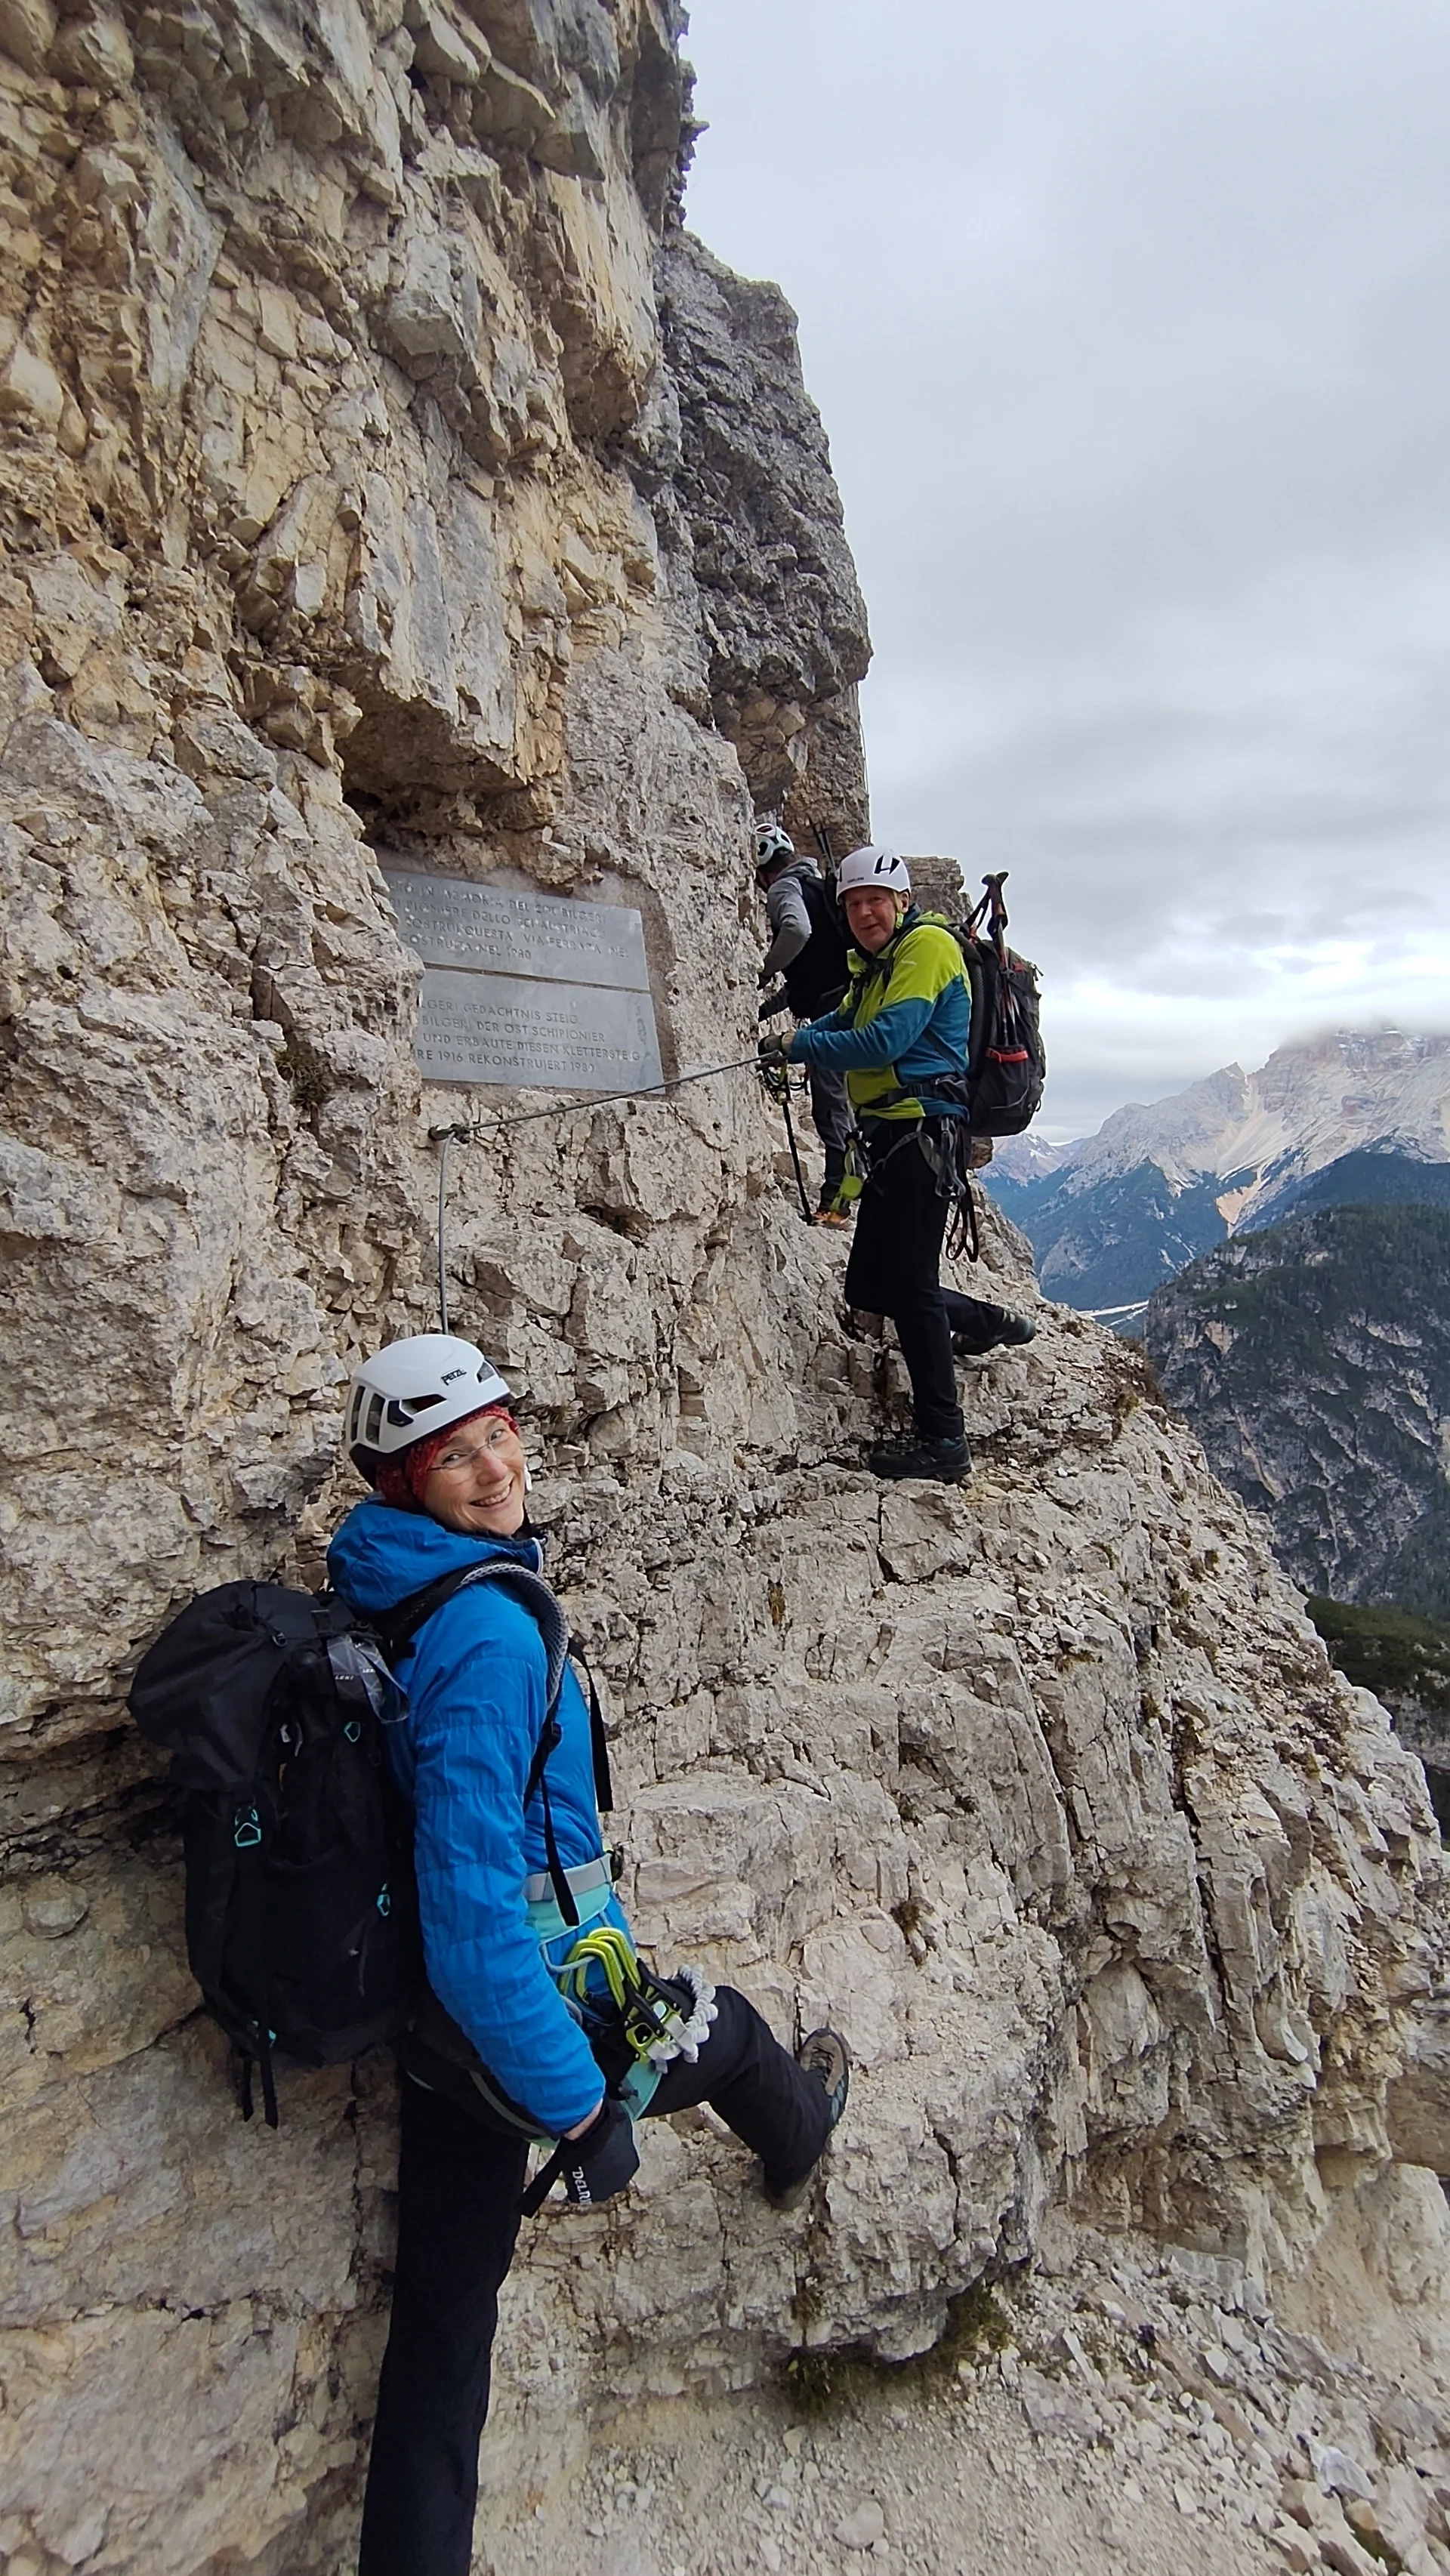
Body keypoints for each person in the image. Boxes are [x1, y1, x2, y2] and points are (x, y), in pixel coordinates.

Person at [329, 1334, 850, 2576]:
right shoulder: (493, 1641)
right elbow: (474, 1925)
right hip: (526, 2005)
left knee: (445, 2325)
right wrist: (580, 2107)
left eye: (500, 1435)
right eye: (453, 1455)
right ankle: (805, 2135)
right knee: (715, 2027)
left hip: (422, 2010)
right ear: (404, 1483)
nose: (494, 1466)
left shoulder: (388, 1581)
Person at [764, 846, 1035, 1485]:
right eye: (853, 903)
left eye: (874, 901)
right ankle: (986, 1320)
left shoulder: (927, 952)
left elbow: (885, 1039)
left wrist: (798, 1044)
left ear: (902, 902)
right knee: (869, 1288)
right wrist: (785, 1033)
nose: (863, 913)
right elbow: (846, 1016)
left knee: (909, 1290)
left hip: (923, 1133)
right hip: (892, 1137)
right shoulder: (877, 965)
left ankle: (945, 1441)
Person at [754, 824, 854, 1223]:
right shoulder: (818, 887)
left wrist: (764, 969)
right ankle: (849, 1188)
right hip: (849, 1003)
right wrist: (762, 1010)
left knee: (831, 1107)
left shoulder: (783, 891)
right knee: (847, 1103)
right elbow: (805, 981)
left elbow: (797, 931)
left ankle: (836, 1202)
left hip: (830, 1016)